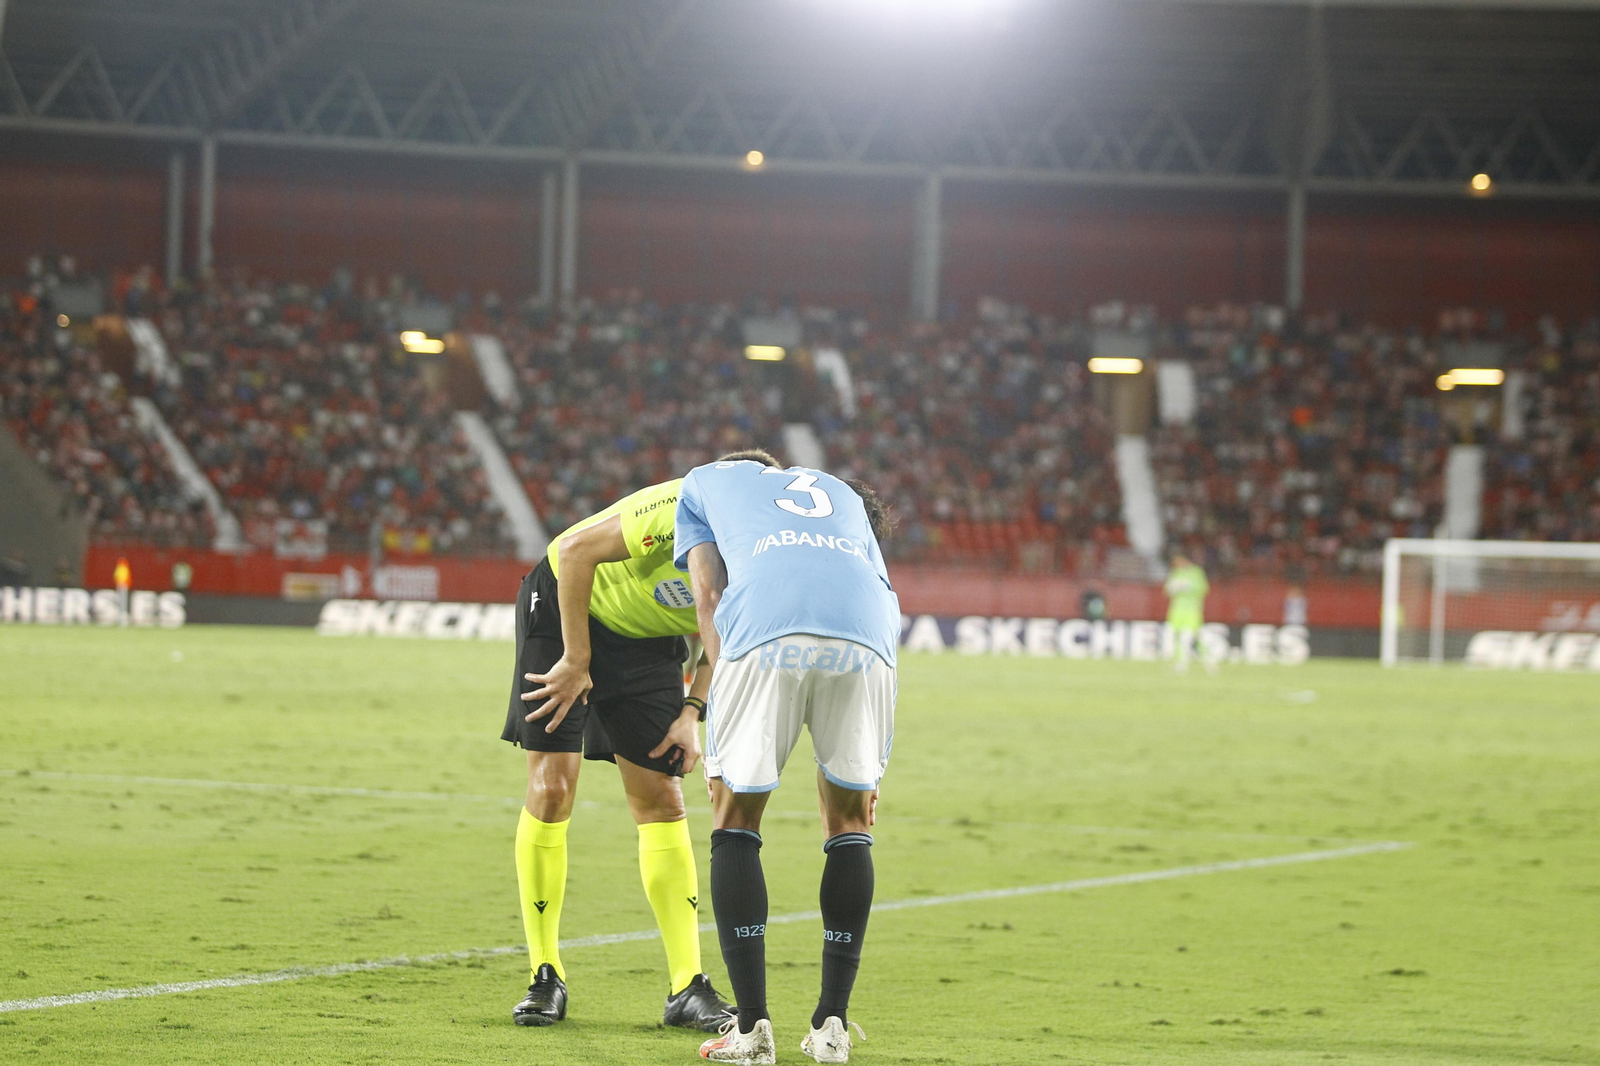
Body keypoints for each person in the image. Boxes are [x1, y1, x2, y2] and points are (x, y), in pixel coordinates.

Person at [501, 471, 748, 1031]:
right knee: (552, 787)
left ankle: (686, 986)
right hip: (566, 608)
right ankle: (545, 975)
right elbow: (574, 551)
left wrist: (693, 712)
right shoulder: (680, 506)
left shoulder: (765, 551)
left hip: (648, 640)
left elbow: (726, 634)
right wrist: (577, 659)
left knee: (663, 798)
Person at [674, 456, 900, 1065]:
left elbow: (710, 595)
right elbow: (881, 589)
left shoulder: (702, 483)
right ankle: (832, 1027)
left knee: (735, 817)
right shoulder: (842, 493)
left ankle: (751, 1030)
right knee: (852, 822)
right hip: (868, 634)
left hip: (767, 628)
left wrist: (717, 700)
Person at [1164, 553, 1212, 673]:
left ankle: (1208, 662)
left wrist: (1188, 587)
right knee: (1178, 637)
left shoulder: (1196, 572)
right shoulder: (1176, 573)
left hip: (1192, 611)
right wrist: (1173, 588)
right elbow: (1166, 590)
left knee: (1193, 637)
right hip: (1176, 611)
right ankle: (1181, 664)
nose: (1177, 565)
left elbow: (1203, 589)